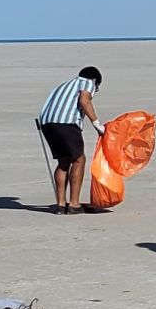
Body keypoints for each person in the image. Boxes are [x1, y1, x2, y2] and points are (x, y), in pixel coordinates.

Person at [37, 65, 102, 214]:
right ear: (95, 80)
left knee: (64, 161)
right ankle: (74, 204)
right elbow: (85, 100)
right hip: (66, 123)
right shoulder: (87, 82)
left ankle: (60, 204)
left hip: (47, 124)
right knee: (79, 159)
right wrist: (96, 123)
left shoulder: (63, 86)